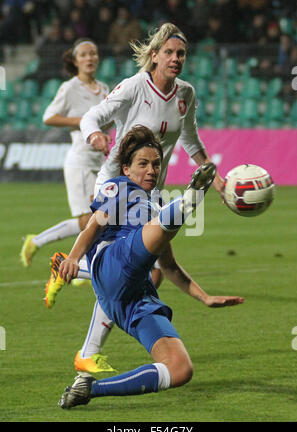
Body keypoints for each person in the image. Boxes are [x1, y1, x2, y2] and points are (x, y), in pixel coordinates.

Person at [46, 23, 225, 377]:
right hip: (117, 182)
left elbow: (190, 140)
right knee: (143, 267)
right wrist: (95, 134)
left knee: (151, 272)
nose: (176, 59)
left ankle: (70, 273)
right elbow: (93, 116)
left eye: (181, 54)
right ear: (154, 55)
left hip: (149, 190)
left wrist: (217, 179)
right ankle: (86, 339)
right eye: (169, 53)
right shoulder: (133, 86)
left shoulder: (186, 94)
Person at [57, 125, 244, 409]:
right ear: (126, 168)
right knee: (154, 232)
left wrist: (204, 297)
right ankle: (190, 199)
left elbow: (168, 265)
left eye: (156, 164)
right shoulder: (120, 186)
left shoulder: (155, 204)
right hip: (111, 262)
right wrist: (73, 257)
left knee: (180, 369)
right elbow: (96, 223)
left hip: (132, 295)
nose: (151, 170)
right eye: (143, 164)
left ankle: (89, 390)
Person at [20, 38, 111, 273]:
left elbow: (109, 118)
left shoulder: (104, 89)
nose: (89, 58)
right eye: (84, 55)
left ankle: (83, 265)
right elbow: (49, 116)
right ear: (75, 61)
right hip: (79, 162)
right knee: (87, 220)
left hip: (99, 162)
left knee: (100, 218)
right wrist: (83, 121)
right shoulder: (70, 88)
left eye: (93, 53)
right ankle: (39, 243)